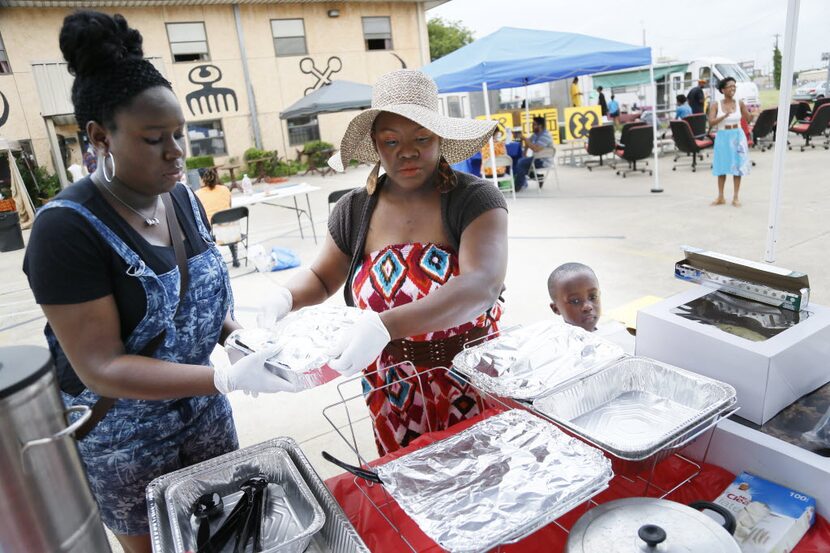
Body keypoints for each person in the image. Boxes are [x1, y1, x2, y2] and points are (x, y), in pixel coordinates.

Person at [22, 12, 294, 553]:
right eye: (154, 139)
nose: (177, 152)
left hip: (205, 417)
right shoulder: (66, 230)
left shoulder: (182, 197)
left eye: (179, 133)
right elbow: (100, 366)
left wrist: (241, 341)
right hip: (126, 441)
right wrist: (224, 380)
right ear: (100, 136)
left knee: (232, 538)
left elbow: (195, 305)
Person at [258, 69, 508, 456]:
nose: (407, 152)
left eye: (421, 138)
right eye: (391, 141)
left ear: (439, 137)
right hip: (391, 388)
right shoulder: (354, 210)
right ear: (375, 145)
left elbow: (481, 285)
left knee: (485, 475)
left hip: (471, 377)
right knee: (409, 483)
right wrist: (283, 299)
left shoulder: (474, 199)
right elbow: (322, 279)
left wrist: (383, 325)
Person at [547, 263, 634, 353]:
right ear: (556, 309)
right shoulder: (559, 350)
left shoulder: (616, 333)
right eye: (575, 301)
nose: (587, 307)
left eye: (593, 297)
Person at [708, 76, 751, 207]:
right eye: (730, 86)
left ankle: (736, 197)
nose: (733, 88)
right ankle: (720, 197)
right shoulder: (716, 104)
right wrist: (724, 116)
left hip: (737, 136)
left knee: (737, 168)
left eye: (734, 86)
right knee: (721, 167)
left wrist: (749, 112)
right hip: (722, 136)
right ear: (723, 89)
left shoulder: (739, 103)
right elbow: (711, 122)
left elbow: (748, 119)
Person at [195, 167, 241, 267]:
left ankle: (210, 263)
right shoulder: (225, 189)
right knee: (228, 223)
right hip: (232, 232)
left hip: (213, 234)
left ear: (202, 179)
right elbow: (229, 207)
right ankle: (235, 258)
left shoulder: (197, 194)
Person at [514, 116, 553, 191]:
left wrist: (524, 138)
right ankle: (539, 178)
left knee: (520, 163)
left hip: (544, 160)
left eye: (534, 124)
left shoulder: (545, 136)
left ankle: (517, 187)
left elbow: (536, 149)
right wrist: (524, 152)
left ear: (540, 126)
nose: (532, 126)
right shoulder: (536, 134)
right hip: (537, 158)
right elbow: (528, 141)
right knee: (521, 162)